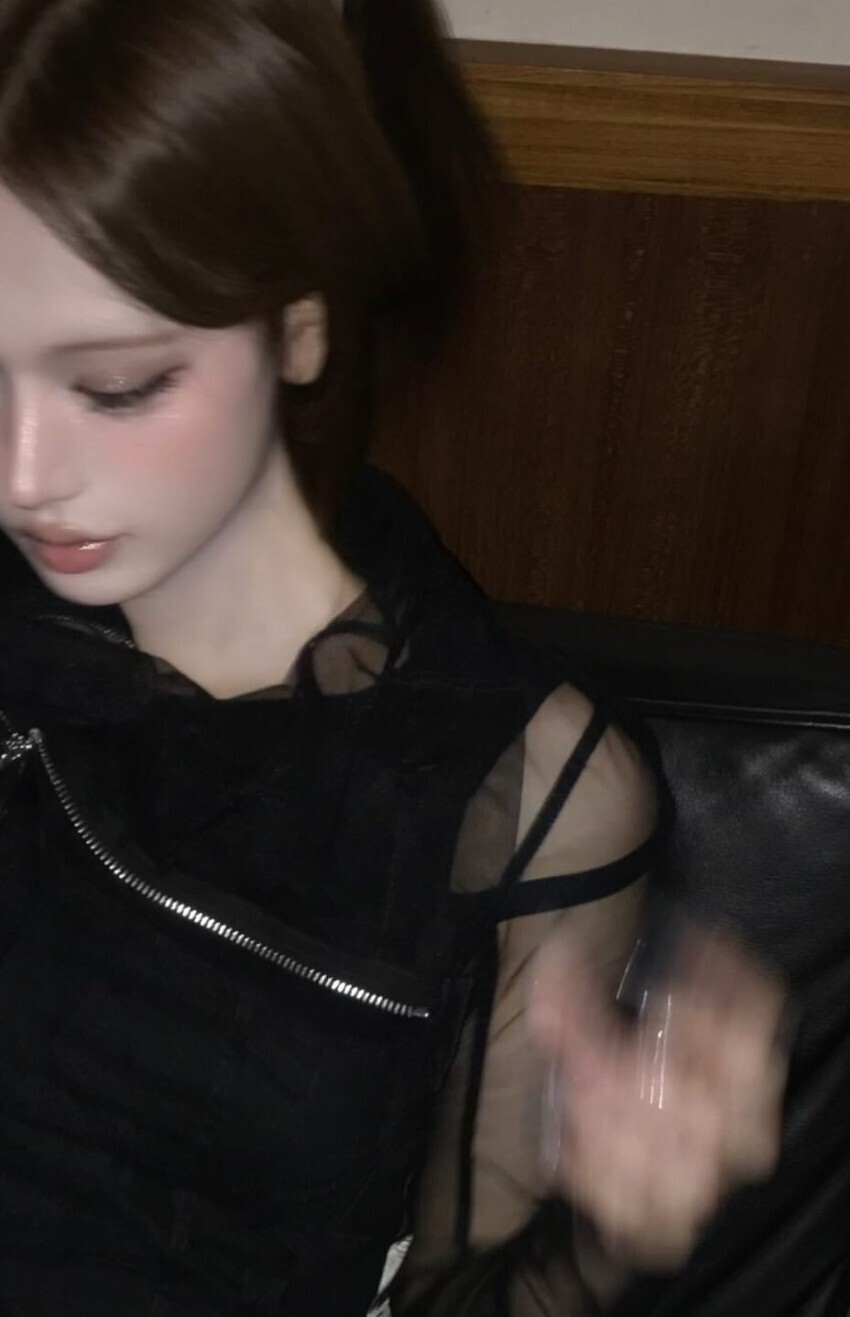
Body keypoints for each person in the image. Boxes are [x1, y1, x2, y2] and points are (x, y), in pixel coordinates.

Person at [0, 2, 786, 1314]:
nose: (22, 475)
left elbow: (461, 1292)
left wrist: (612, 1229)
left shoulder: (509, 787)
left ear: (300, 325)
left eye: (119, 383)